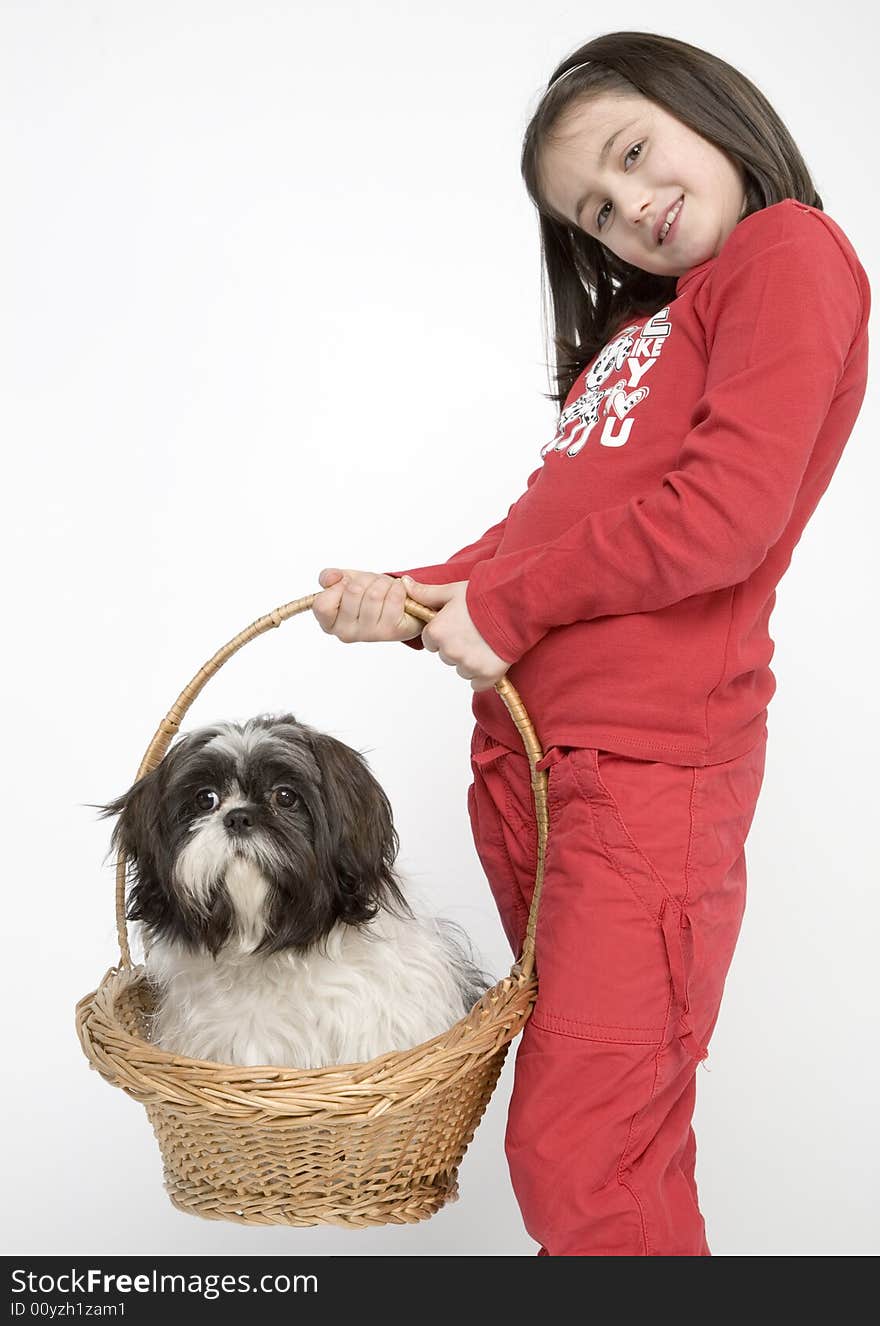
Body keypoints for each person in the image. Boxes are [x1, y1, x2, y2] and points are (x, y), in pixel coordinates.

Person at [310, 30, 871, 1255]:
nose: (633, 209)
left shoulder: (787, 253)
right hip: (533, 772)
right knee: (618, 1146)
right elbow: (537, 533)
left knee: (577, 1148)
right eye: (595, 213)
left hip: (645, 782)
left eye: (632, 156)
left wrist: (500, 612)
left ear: (707, 107)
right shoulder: (639, 332)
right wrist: (405, 593)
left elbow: (720, 522)